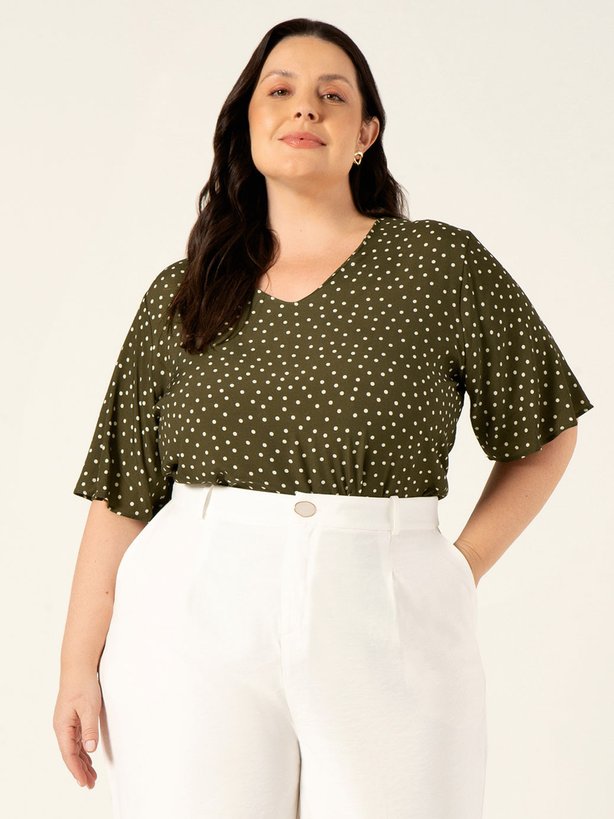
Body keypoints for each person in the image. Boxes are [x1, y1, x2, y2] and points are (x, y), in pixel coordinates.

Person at [53, 17, 594, 819]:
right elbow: (122, 490)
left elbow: (545, 431)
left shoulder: (438, 266)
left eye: (332, 96)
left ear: (366, 133)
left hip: (389, 604)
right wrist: (76, 664)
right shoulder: (185, 291)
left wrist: (459, 568)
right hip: (191, 614)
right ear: (247, 124)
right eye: (280, 91)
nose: (304, 108)